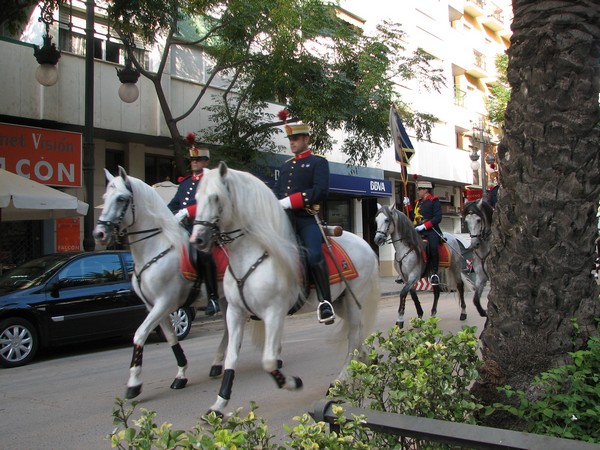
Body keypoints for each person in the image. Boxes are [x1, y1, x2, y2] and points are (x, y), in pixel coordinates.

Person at [274, 123, 334, 324]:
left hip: (307, 218)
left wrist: (291, 201)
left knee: (315, 254)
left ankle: (325, 302)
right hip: (284, 220)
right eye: (290, 139)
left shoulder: (318, 163)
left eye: (296, 139)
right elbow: (277, 192)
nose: (292, 143)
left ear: (307, 139)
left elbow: (320, 191)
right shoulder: (285, 166)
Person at [168, 145, 220, 316]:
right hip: (185, 227)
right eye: (192, 160)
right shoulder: (186, 183)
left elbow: (211, 202)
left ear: (206, 161)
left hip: (206, 227)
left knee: (204, 255)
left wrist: (187, 212)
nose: (194, 163)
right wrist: (167, 215)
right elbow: (174, 204)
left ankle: (213, 297)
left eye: (198, 160)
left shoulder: (211, 179)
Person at [404, 180, 442, 286]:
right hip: (417, 230)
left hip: (431, 230)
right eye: (418, 189)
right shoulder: (418, 203)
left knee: (433, 247)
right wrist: (408, 206)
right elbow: (412, 217)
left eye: (420, 189)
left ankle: (434, 273)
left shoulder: (434, 201)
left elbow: (438, 218)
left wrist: (424, 226)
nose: (418, 192)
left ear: (426, 190)